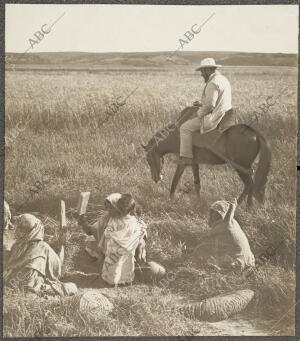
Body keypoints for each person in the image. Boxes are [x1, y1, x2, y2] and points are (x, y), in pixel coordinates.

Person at [78, 193, 147, 286]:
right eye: (106, 208)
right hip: (112, 248)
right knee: (113, 265)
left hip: (129, 249)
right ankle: (113, 278)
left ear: (118, 207)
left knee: (125, 263)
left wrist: (139, 247)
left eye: (111, 208)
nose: (108, 210)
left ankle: (135, 270)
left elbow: (139, 234)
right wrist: (83, 223)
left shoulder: (132, 219)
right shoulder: (108, 218)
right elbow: (92, 230)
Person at [4, 214, 77, 296]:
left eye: (23, 230)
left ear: (31, 231)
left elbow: (29, 265)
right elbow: (11, 263)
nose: (19, 232)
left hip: (39, 276)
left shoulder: (41, 247)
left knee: (31, 275)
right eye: (19, 229)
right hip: (18, 275)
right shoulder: (18, 245)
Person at [179, 58, 234, 165]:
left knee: (184, 128)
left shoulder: (212, 83)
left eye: (202, 71)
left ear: (208, 70)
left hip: (215, 118)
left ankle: (186, 158)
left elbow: (210, 106)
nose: (201, 74)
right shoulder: (223, 79)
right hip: (227, 113)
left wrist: (198, 113)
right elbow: (218, 100)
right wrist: (201, 104)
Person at [193, 199, 255, 270]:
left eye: (218, 213)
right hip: (249, 262)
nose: (214, 215)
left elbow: (204, 243)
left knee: (201, 252)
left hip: (238, 265)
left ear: (224, 214)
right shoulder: (233, 223)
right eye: (213, 212)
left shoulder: (223, 226)